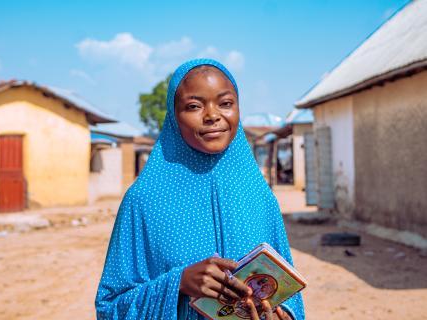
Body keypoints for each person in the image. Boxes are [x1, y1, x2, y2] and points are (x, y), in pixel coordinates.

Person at [95, 59, 305, 320]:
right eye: (194, 106)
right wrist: (178, 283)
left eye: (225, 103)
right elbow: (109, 307)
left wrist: (282, 315)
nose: (212, 115)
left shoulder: (261, 198)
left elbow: (289, 295)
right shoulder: (143, 201)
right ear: (174, 117)